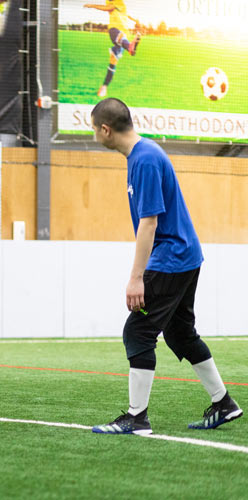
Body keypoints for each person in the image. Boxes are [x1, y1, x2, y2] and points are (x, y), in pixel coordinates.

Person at [89, 98, 242, 435]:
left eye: (94, 129)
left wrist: (136, 279)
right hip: (186, 255)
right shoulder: (144, 155)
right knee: (180, 333)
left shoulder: (143, 160)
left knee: (138, 331)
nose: (94, 135)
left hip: (171, 257)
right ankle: (224, 404)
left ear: (105, 129)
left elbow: (149, 223)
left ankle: (136, 418)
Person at [84, 2, 141, 98]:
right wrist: (136, 20)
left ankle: (104, 86)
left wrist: (92, 5)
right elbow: (127, 15)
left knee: (113, 62)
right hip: (121, 37)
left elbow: (108, 8)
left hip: (117, 32)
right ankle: (130, 48)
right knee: (121, 48)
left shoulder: (118, 2)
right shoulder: (118, 5)